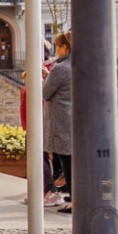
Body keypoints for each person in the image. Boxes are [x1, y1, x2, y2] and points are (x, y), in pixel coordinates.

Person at [43, 31, 74, 214]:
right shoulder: (78, 65)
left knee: (66, 161)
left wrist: (45, 77)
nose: (56, 50)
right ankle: (75, 195)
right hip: (74, 118)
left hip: (61, 120)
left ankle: (74, 202)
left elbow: (45, 93)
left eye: (57, 46)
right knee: (71, 160)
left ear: (65, 47)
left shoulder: (60, 68)